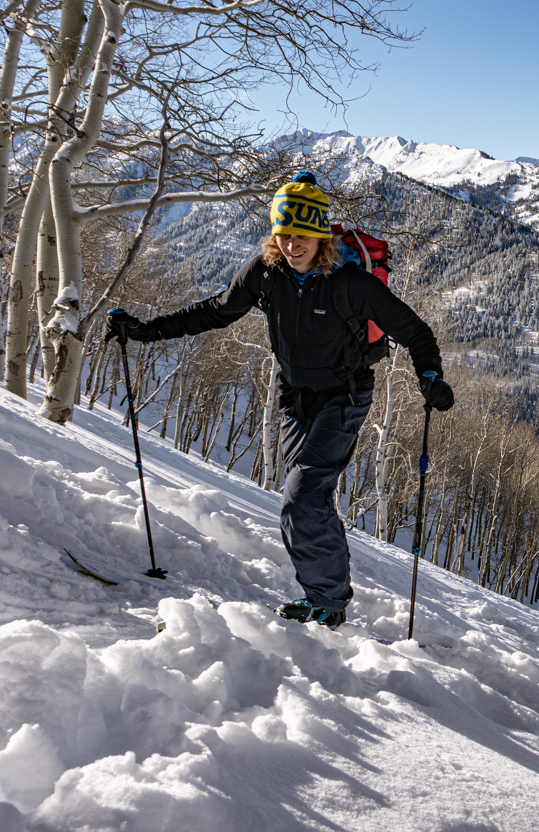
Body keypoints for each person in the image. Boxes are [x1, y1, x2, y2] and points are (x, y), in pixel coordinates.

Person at [106, 171, 454, 627]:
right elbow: (215, 311)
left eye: (303, 235)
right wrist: (144, 331)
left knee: (302, 497)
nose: (293, 245)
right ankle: (325, 594)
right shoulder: (265, 274)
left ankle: (328, 602)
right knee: (308, 497)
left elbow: (414, 331)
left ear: (320, 235)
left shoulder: (351, 283)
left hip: (344, 398)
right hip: (294, 399)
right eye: (284, 234)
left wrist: (429, 374)